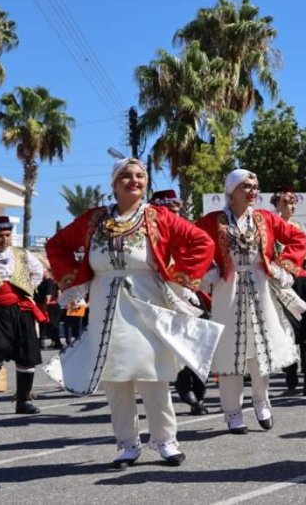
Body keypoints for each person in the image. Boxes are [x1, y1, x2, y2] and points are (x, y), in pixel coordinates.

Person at [44, 158, 223, 469]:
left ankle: (166, 441)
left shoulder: (158, 216)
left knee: (153, 373)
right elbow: (57, 244)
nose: (134, 181)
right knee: (115, 376)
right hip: (104, 301)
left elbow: (201, 241)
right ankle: (127, 444)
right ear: (114, 184)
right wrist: (72, 280)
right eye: (125, 176)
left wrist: (179, 277)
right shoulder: (93, 219)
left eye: (140, 176)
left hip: (147, 300)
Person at [196, 169, 306, 435]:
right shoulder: (213, 220)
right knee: (229, 353)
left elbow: (297, 238)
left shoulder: (265, 218)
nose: (252, 190)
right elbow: (190, 245)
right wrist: (206, 271)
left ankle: (261, 400)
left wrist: (282, 267)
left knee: (260, 347)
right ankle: (233, 413)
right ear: (231, 190)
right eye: (246, 186)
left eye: (255, 186)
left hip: (259, 284)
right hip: (227, 288)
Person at [0, 216, 45, 414]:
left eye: (7, 235)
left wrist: (28, 289)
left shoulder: (22, 254)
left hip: (19, 309)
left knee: (27, 355)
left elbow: (38, 272)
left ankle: (23, 401)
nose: (4, 239)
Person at [149, 189, 210, 416]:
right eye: (169, 210)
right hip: (163, 295)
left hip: (190, 294)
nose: (174, 213)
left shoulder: (188, 231)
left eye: (176, 209)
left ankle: (199, 390)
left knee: (200, 341)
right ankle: (186, 392)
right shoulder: (152, 235)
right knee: (175, 346)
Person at [272, 186, 306, 397]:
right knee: (288, 331)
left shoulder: (299, 226)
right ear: (276, 203)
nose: (291, 205)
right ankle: (290, 372)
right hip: (280, 282)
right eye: (286, 201)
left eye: (293, 202)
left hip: (301, 280)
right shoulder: (268, 225)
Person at [35, 268, 64, 350]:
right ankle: (47, 342)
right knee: (46, 325)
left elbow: (49, 294)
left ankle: (56, 343)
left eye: (42, 271)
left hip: (50, 306)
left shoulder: (49, 281)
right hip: (47, 305)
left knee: (52, 325)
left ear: (46, 272)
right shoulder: (45, 281)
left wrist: (45, 305)